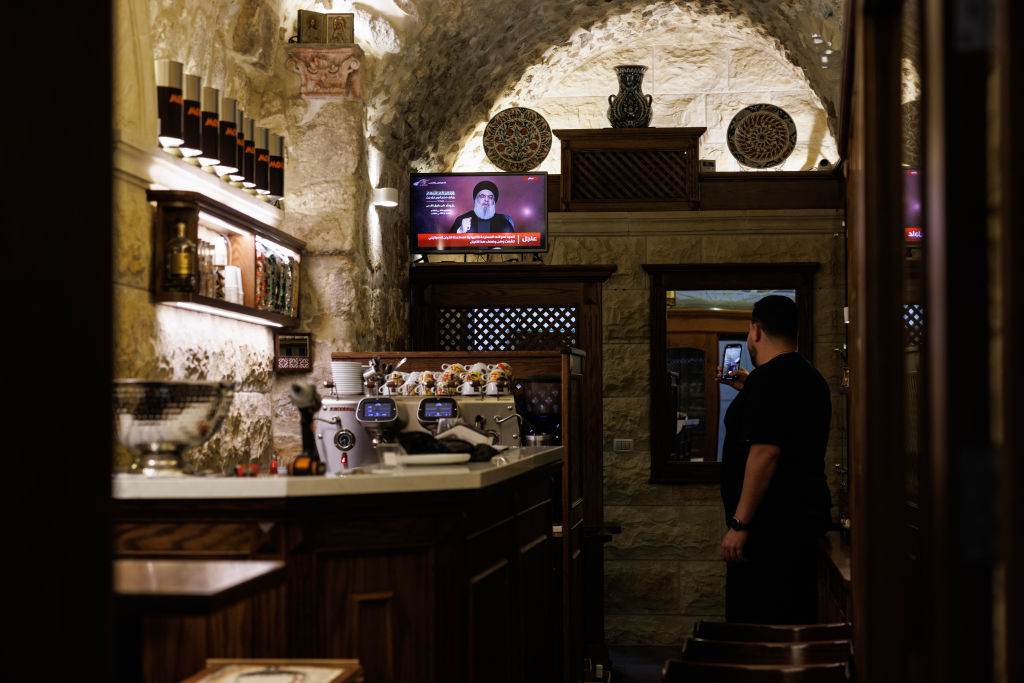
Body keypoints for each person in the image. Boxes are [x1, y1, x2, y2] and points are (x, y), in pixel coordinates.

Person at [717, 295, 832, 624]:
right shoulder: (810, 376)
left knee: (759, 623)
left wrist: (740, 523)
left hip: (770, 530)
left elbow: (766, 452)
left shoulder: (769, 380)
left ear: (755, 331)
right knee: (794, 617)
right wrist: (751, 388)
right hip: (802, 521)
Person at [448, 180, 516, 234]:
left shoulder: (504, 222)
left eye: (490, 197)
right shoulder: (461, 220)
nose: (486, 200)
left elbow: (514, 245)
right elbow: (448, 245)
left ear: (494, 202)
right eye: (482, 196)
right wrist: (460, 230)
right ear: (475, 199)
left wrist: (501, 250)